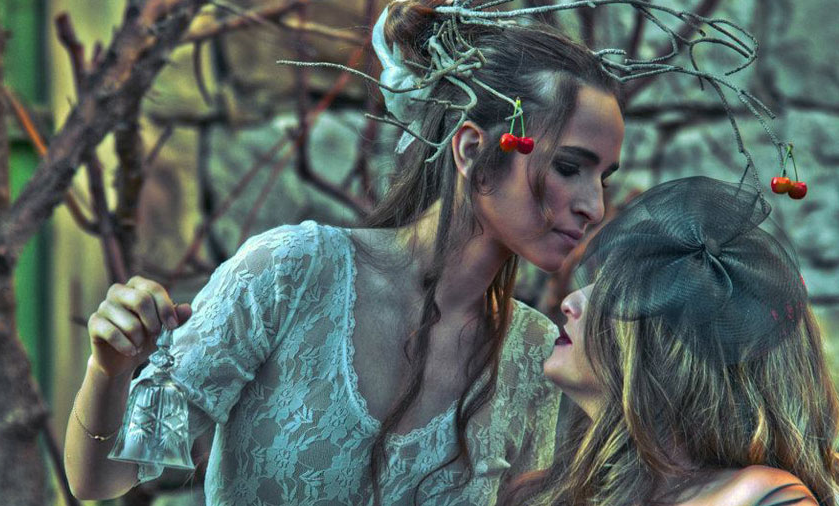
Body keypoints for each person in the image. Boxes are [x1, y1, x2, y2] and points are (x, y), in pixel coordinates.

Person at [63, 1, 625, 504]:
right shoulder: (292, 273)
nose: (593, 206)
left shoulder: (531, 355)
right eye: (569, 167)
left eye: (603, 178)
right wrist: (108, 368)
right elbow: (103, 478)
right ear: (473, 149)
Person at [505, 177, 839, 506]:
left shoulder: (758, 497)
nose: (570, 303)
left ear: (674, 349)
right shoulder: (537, 495)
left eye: (614, 293)